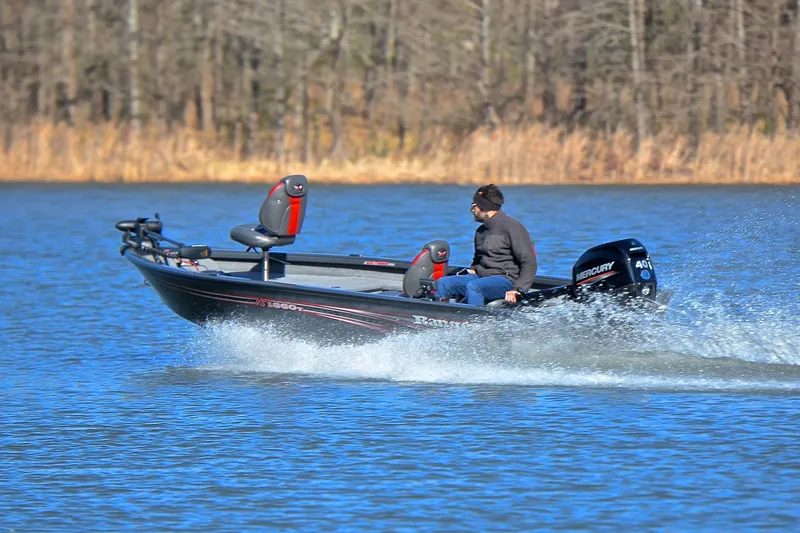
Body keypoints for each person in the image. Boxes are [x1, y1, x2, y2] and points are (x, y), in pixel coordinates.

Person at [436, 184, 537, 306]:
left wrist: (518, 289)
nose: (472, 210)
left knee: (474, 287)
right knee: (443, 283)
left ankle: (475, 317)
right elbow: (478, 258)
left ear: (483, 207)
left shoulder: (512, 227)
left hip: (506, 280)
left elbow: (529, 262)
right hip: (481, 277)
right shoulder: (480, 231)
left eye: (474, 206)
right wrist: (473, 269)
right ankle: (440, 313)